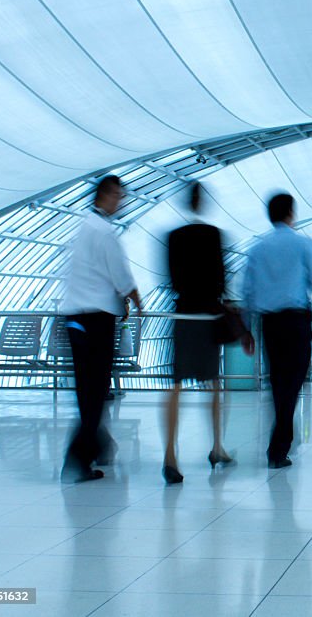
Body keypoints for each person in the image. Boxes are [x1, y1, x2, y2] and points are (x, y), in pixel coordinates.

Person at [242, 193, 312, 469]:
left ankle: (280, 439)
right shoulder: (304, 244)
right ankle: (279, 445)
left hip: (270, 323)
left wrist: (247, 328)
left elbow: (248, 290)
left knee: (278, 380)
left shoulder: (258, 249)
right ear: (291, 214)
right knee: (293, 382)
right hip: (296, 322)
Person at [59, 175, 142, 483]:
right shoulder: (105, 231)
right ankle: (78, 459)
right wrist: (135, 297)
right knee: (95, 391)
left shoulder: (83, 227)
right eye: (118, 195)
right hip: (96, 320)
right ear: (105, 195)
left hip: (75, 318)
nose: (121, 201)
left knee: (87, 389)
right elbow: (120, 275)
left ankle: (101, 446)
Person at [162, 182, 234, 484]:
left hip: (182, 314)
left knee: (176, 386)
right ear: (201, 202)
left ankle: (170, 455)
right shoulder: (214, 236)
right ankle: (216, 446)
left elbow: (171, 278)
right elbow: (220, 277)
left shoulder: (173, 237)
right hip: (206, 316)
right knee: (214, 385)